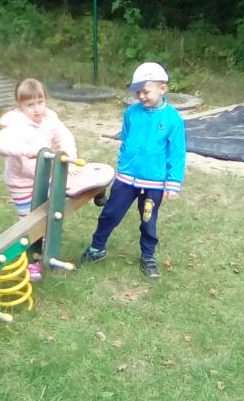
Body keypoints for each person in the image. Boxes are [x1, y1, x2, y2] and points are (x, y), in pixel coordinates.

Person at [79, 62, 186, 279]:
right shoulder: (131, 113)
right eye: (138, 92)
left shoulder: (173, 119)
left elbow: (177, 153)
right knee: (110, 213)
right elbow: (126, 139)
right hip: (126, 179)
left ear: (162, 88)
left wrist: (173, 183)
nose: (141, 96)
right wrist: (124, 163)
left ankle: (148, 256)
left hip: (154, 183)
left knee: (148, 221)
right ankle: (97, 247)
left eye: (146, 91)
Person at [0, 78, 78, 281]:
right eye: (30, 105)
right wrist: (25, 150)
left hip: (44, 178)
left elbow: (64, 137)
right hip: (21, 183)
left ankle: (44, 255)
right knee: (30, 223)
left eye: (40, 102)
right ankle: (31, 261)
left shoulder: (49, 119)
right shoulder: (15, 124)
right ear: (20, 106)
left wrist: (70, 159)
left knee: (49, 217)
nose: (37, 109)